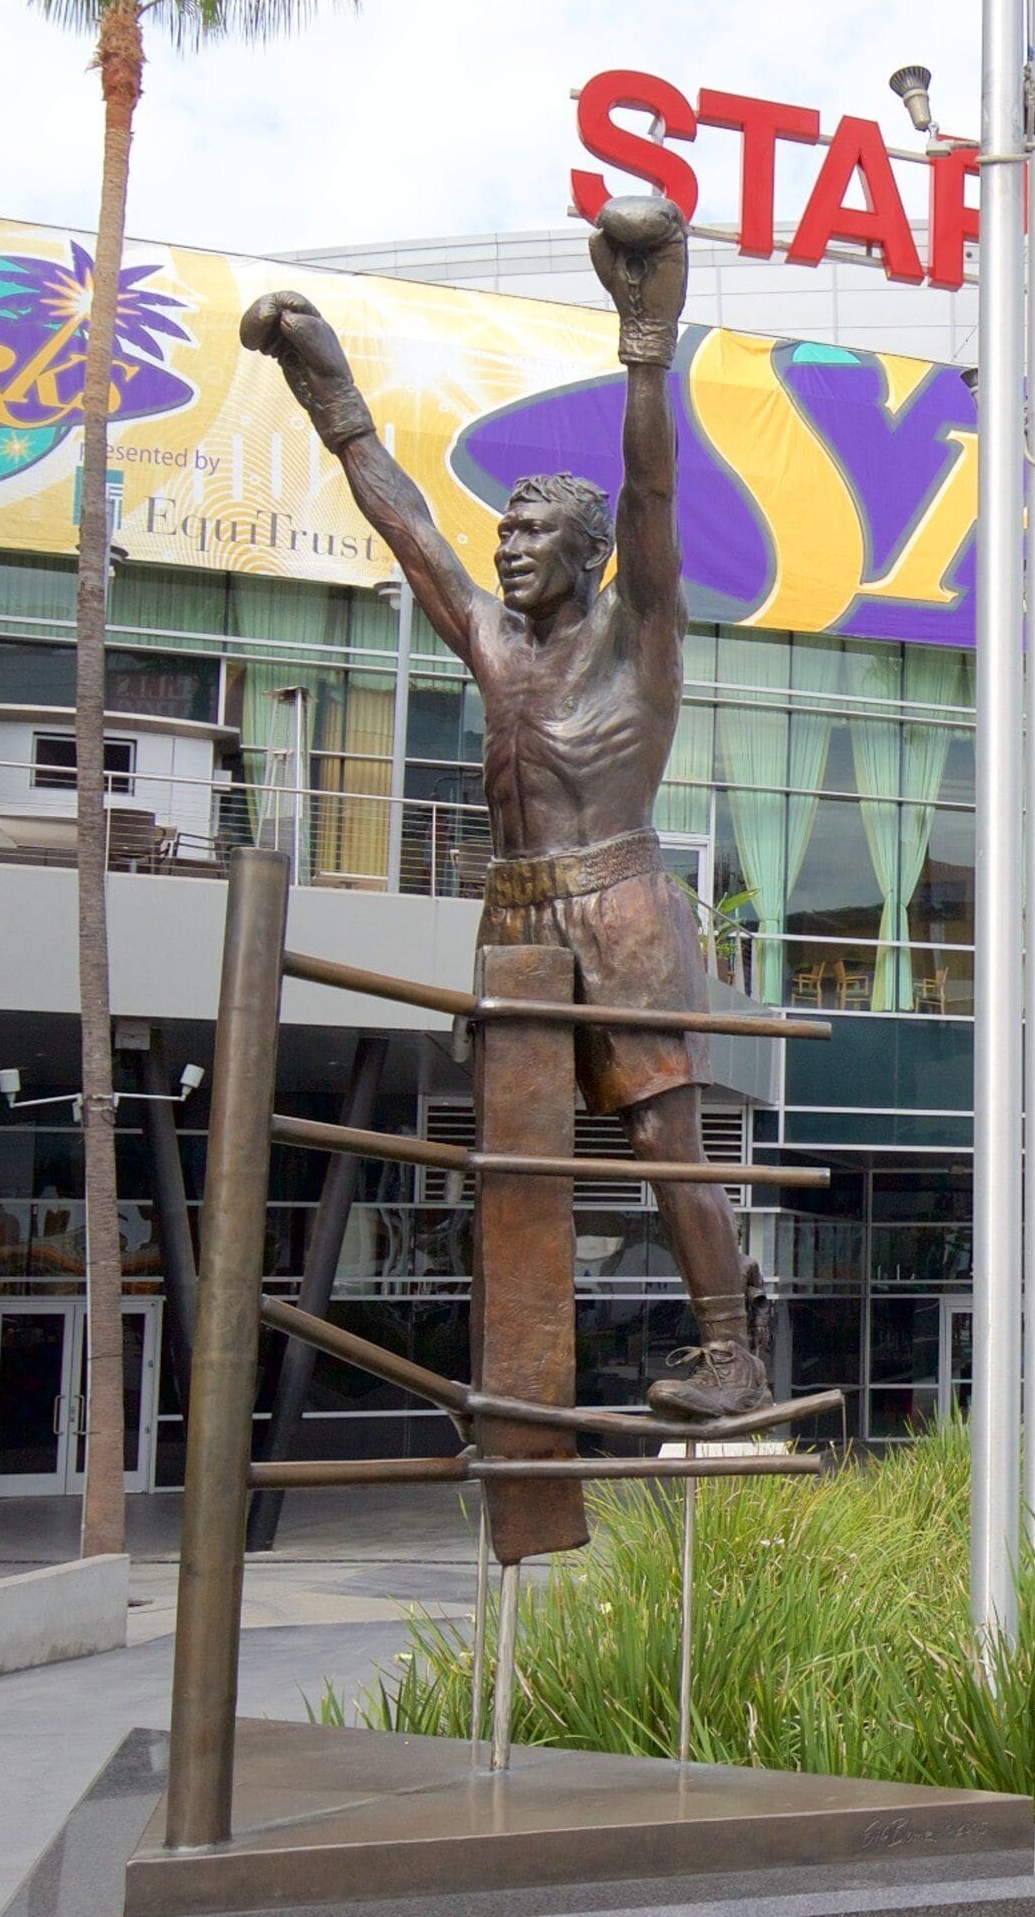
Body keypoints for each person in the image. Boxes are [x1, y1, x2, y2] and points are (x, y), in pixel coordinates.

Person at [240, 196, 767, 1418]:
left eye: (534, 532)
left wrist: (646, 341)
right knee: (515, 1170)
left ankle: (731, 1352)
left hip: (624, 906)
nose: (510, 546)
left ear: (588, 555)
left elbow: (651, 493)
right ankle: (518, 1393)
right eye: (508, 530)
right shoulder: (489, 638)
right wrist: (334, 400)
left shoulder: (642, 639)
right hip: (519, 919)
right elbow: (410, 526)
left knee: (659, 1143)